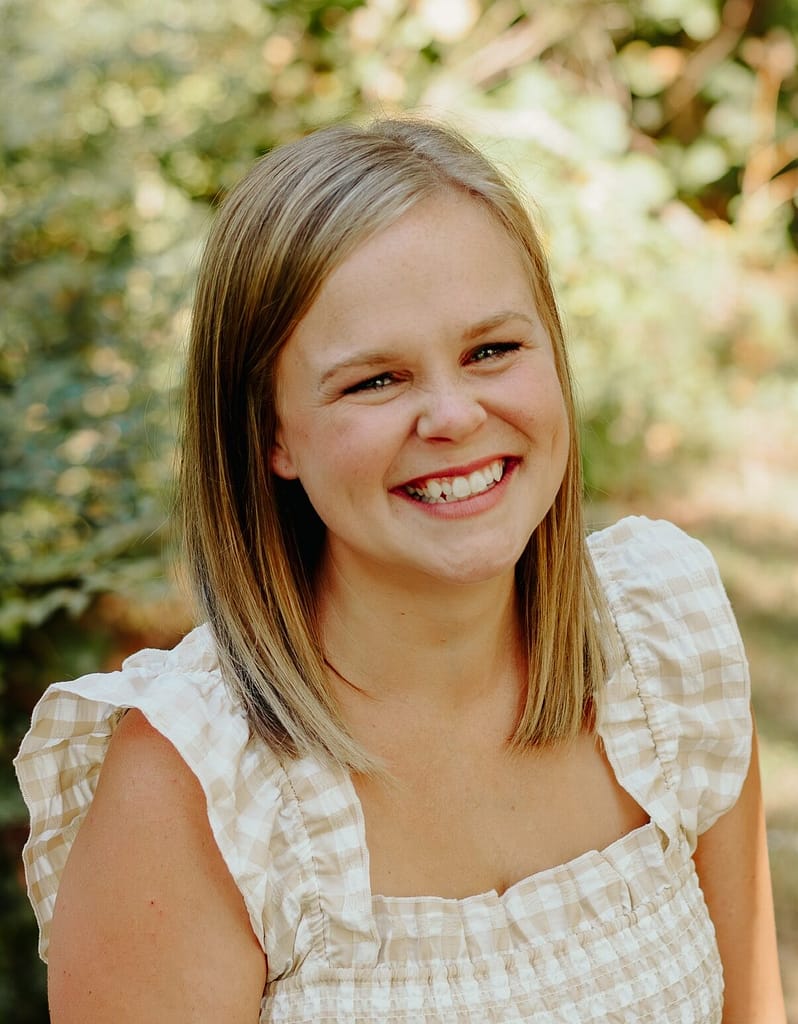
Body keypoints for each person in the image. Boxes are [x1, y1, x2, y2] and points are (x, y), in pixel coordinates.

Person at [15, 118, 786, 1023]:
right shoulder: (192, 788)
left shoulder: (664, 637)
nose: (454, 415)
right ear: (271, 435)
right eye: (375, 380)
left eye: (491, 350)